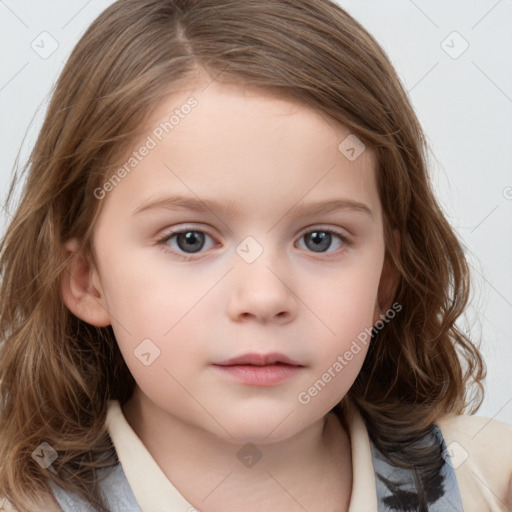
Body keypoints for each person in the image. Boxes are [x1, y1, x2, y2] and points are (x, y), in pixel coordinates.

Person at [0, 0, 511, 510]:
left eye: (320, 239)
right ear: (87, 280)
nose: (264, 297)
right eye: (190, 240)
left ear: (385, 279)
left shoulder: (487, 478)